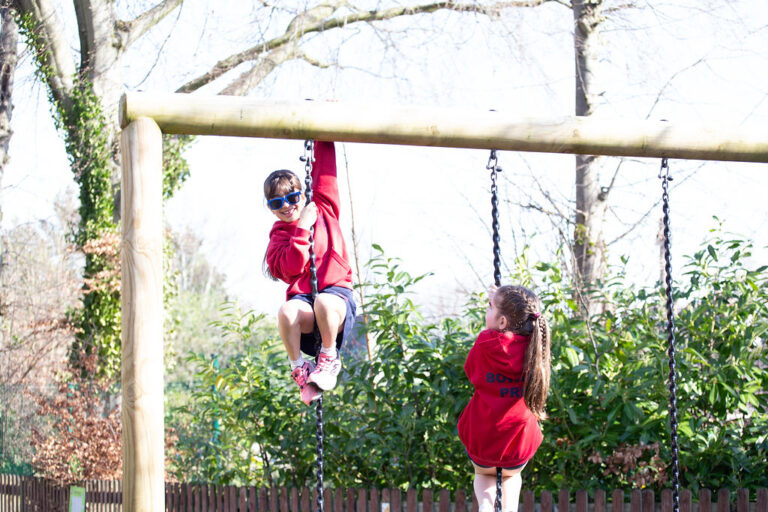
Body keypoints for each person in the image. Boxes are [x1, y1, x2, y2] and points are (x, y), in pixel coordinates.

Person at [263, 140, 356, 405]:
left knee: (324, 301)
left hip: (335, 300)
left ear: (303, 195)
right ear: (270, 206)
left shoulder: (324, 207)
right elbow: (292, 266)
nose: (287, 205)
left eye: (292, 198)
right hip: (304, 308)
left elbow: (326, 170)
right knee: (286, 311)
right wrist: (302, 227)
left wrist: (321, 133)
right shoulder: (278, 239)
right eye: (277, 202)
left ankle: (328, 357)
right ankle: (300, 368)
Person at [458, 285, 551, 512]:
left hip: (483, 438)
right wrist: (500, 303)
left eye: (489, 308)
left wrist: (497, 308)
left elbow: (472, 372)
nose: (486, 312)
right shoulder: (535, 349)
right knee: (511, 478)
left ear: (501, 322)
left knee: (483, 475)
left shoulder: (485, 344)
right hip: (518, 443)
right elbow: (512, 317)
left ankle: (487, 506)